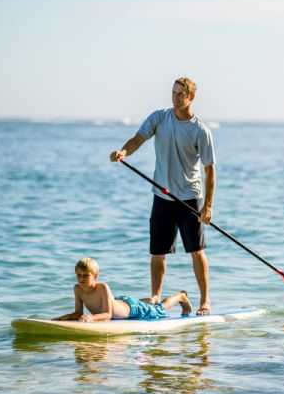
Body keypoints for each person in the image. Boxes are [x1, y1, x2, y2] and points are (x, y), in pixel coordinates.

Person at [110, 77, 216, 315]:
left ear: (191, 98)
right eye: (173, 93)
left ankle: (205, 300)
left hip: (189, 198)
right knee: (158, 252)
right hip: (162, 196)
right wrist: (123, 151)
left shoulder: (200, 130)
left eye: (181, 94)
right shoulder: (159, 118)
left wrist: (207, 206)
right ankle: (156, 295)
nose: (176, 98)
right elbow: (138, 139)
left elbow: (210, 170)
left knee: (196, 251)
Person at [53, 257, 192, 322]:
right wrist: (64, 317)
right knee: (150, 304)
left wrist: (92, 318)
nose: (81, 279)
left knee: (160, 309)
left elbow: (108, 315)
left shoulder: (103, 288)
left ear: (95, 276)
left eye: (86, 275)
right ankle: (150, 300)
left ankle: (181, 296)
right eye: (78, 275)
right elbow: (78, 312)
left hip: (132, 308)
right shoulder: (78, 289)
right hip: (119, 302)